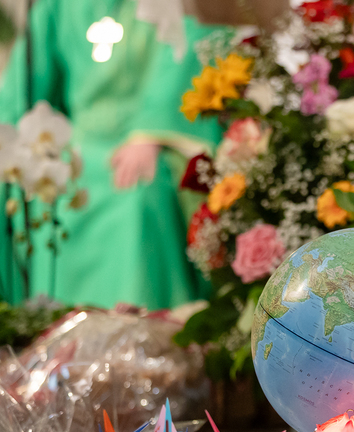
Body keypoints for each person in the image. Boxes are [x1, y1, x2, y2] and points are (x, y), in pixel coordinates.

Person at [0, 0, 222, 309]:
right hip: (73, 146)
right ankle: (49, 322)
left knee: (138, 194)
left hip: (143, 143)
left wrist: (149, 133)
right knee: (33, 192)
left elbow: (184, 49)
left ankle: (142, 327)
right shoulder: (56, 5)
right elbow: (24, 85)